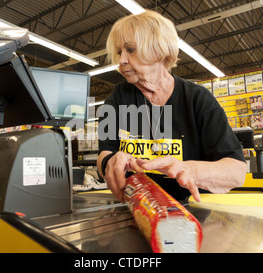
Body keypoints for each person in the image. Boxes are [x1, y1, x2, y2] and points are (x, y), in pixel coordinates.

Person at [97, 10, 246, 203]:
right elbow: (104, 154)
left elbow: (237, 171)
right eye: (119, 52)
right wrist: (111, 163)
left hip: (194, 210)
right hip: (140, 207)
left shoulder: (197, 99)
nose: (121, 60)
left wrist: (190, 170)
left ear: (159, 50)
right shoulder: (118, 98)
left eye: (130, 50)